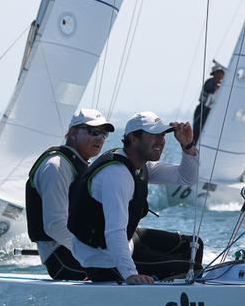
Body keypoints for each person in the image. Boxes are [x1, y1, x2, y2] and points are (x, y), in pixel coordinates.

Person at [68, 111, 204, 285]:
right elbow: (114, 230)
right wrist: (131, 274)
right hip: (102, 259)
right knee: (189, 267)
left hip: (125, 242)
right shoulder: (116, 174)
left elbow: (186, 178)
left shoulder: (140, 164)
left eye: (162, 135)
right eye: (154, 135)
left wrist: (188, 146)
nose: (161, 141)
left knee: (194, 245)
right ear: (133, 138)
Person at [26, 108, 115, 280]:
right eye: (93, 132)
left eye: (103, 134)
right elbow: (55, 226)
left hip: (78, 250)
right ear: (73, 133)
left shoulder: (78, 164)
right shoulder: (56, 167)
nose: (99, 138)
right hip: (61, 257)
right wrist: (94, 253)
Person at [192, 60, 226, 142]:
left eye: (221, 75)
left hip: (212, 112)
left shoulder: (222, 86)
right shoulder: (210, 82)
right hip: (203, 110)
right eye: (218, 75)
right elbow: (211, 92)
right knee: (198, 133)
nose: (220, 77)